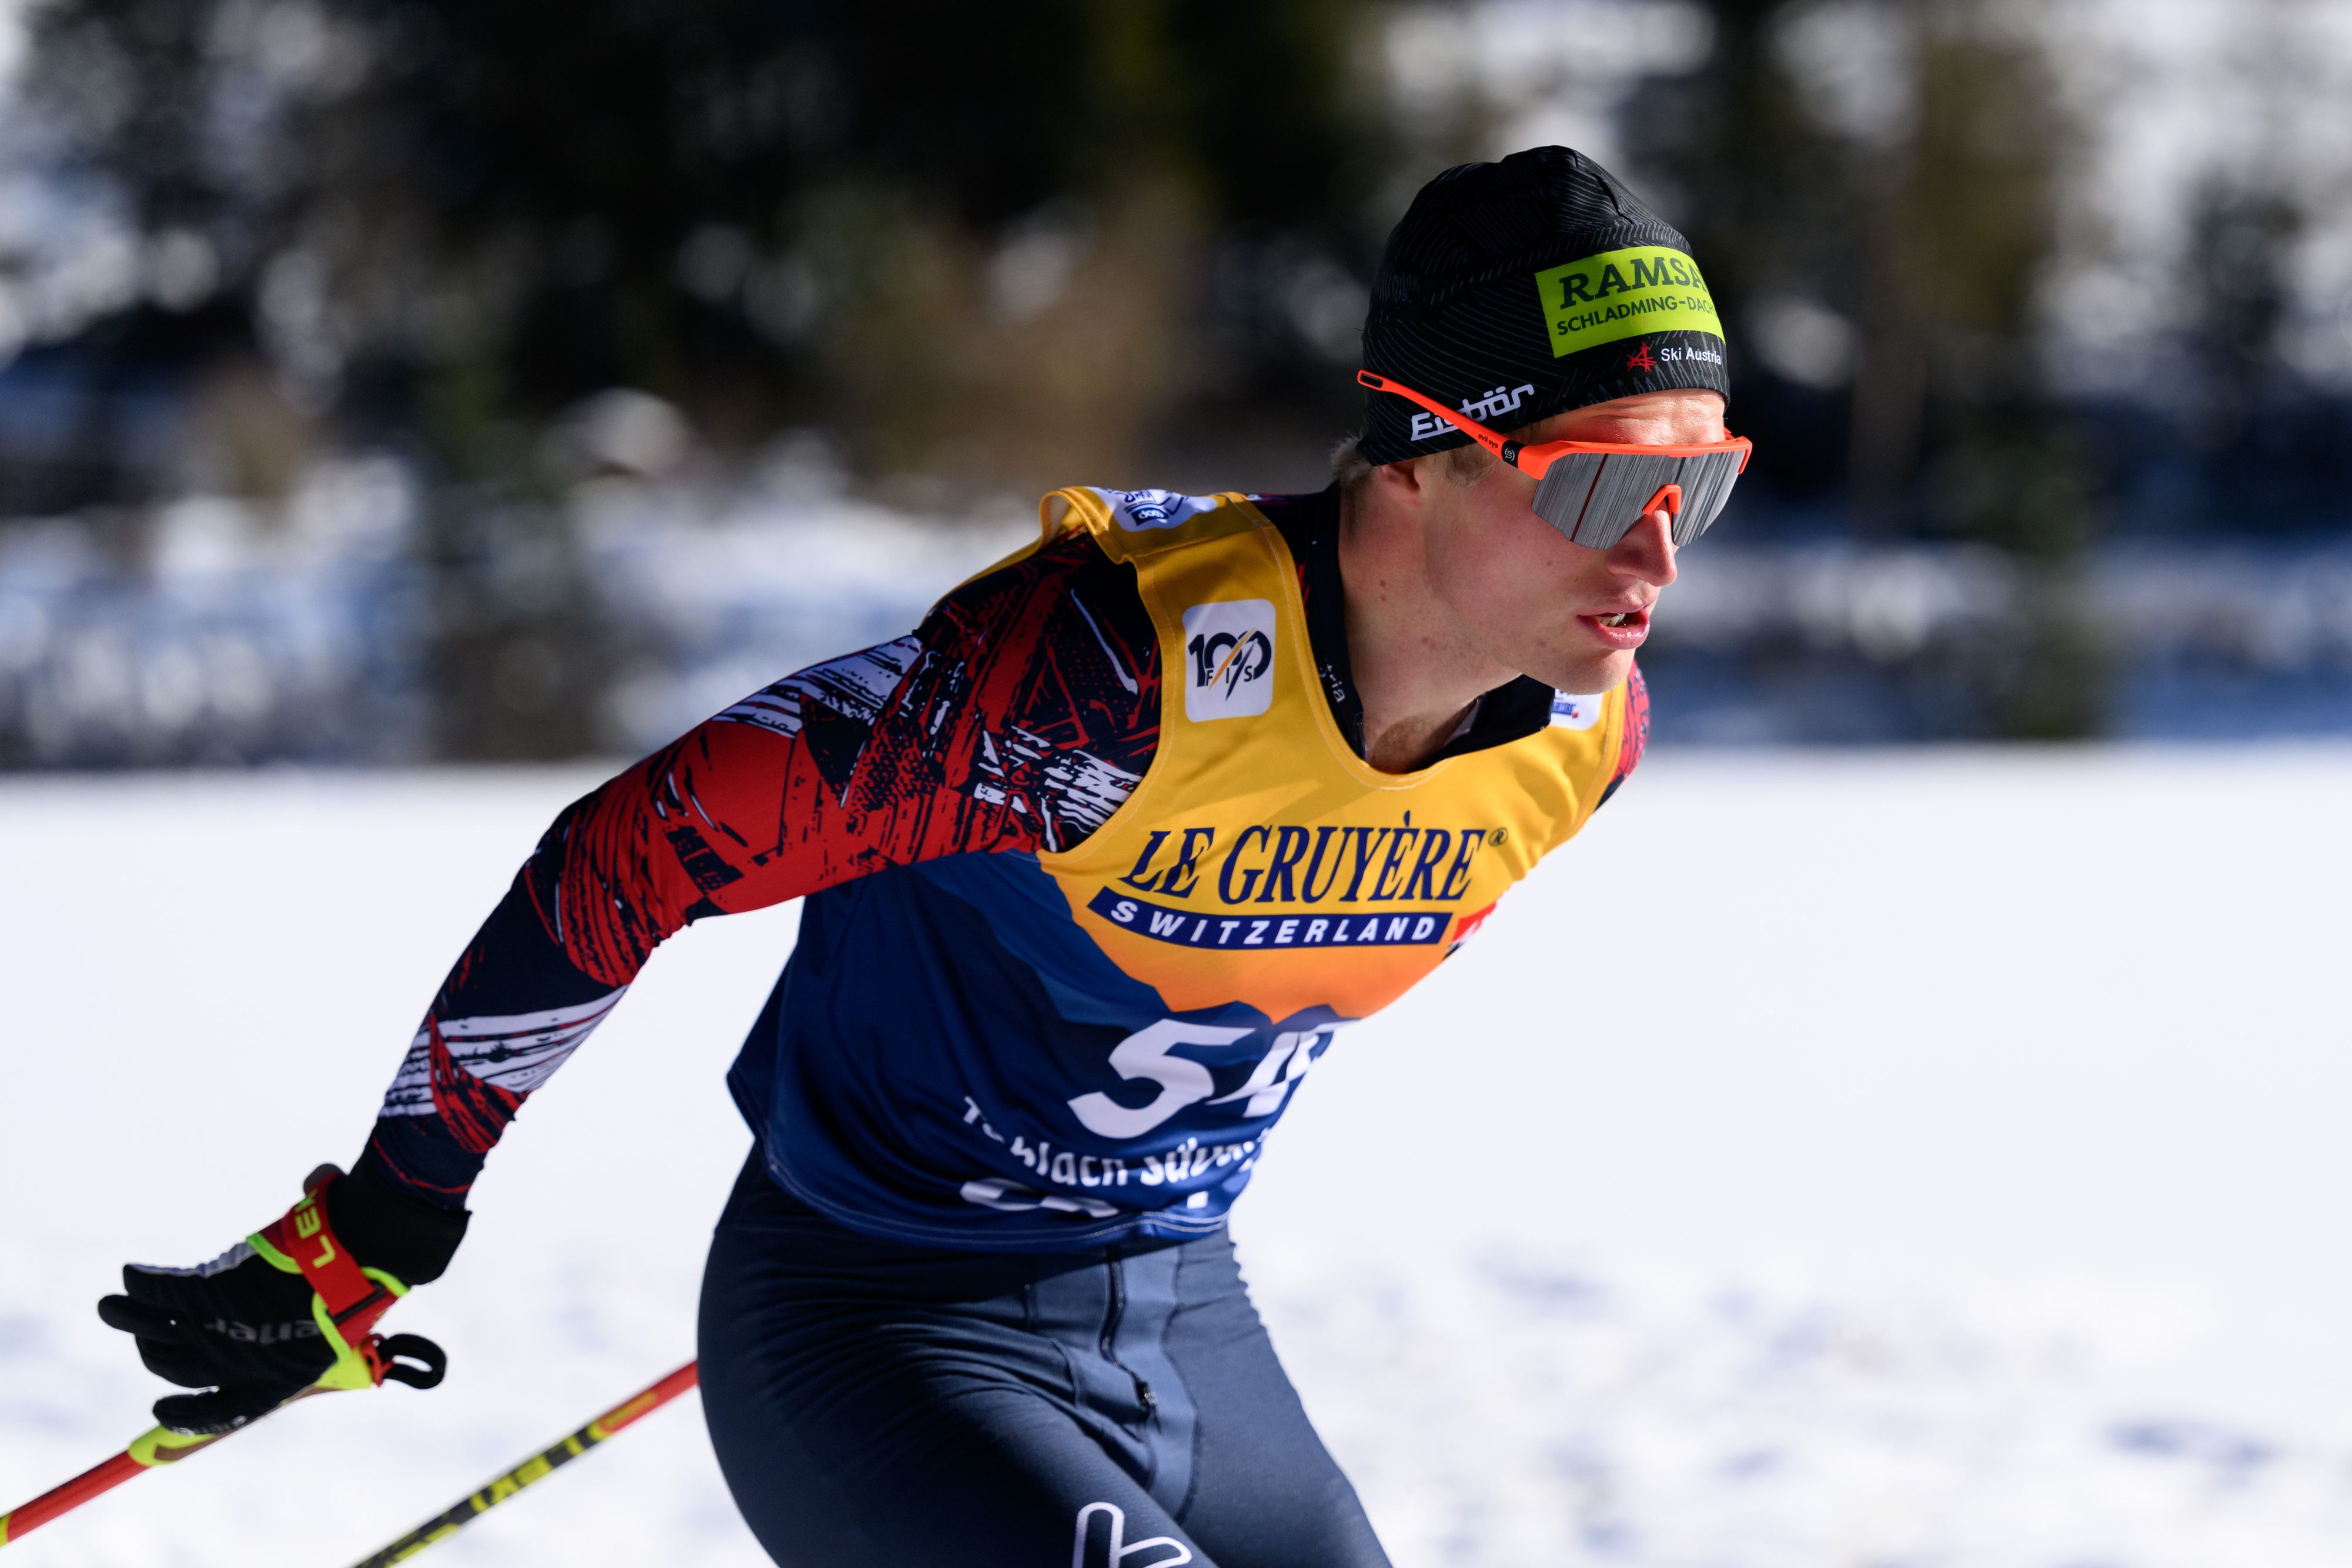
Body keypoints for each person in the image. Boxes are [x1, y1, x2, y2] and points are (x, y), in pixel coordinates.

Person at [96, 146, 1746, 1567]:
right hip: (872, 1317)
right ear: (1417, 449)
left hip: (1171, 1307)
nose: (1660, 551)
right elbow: (636, 847)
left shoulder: (1579, 746)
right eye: (1607, 484)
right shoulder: (1095, 683)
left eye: (1705, 484)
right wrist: (383, 1225)